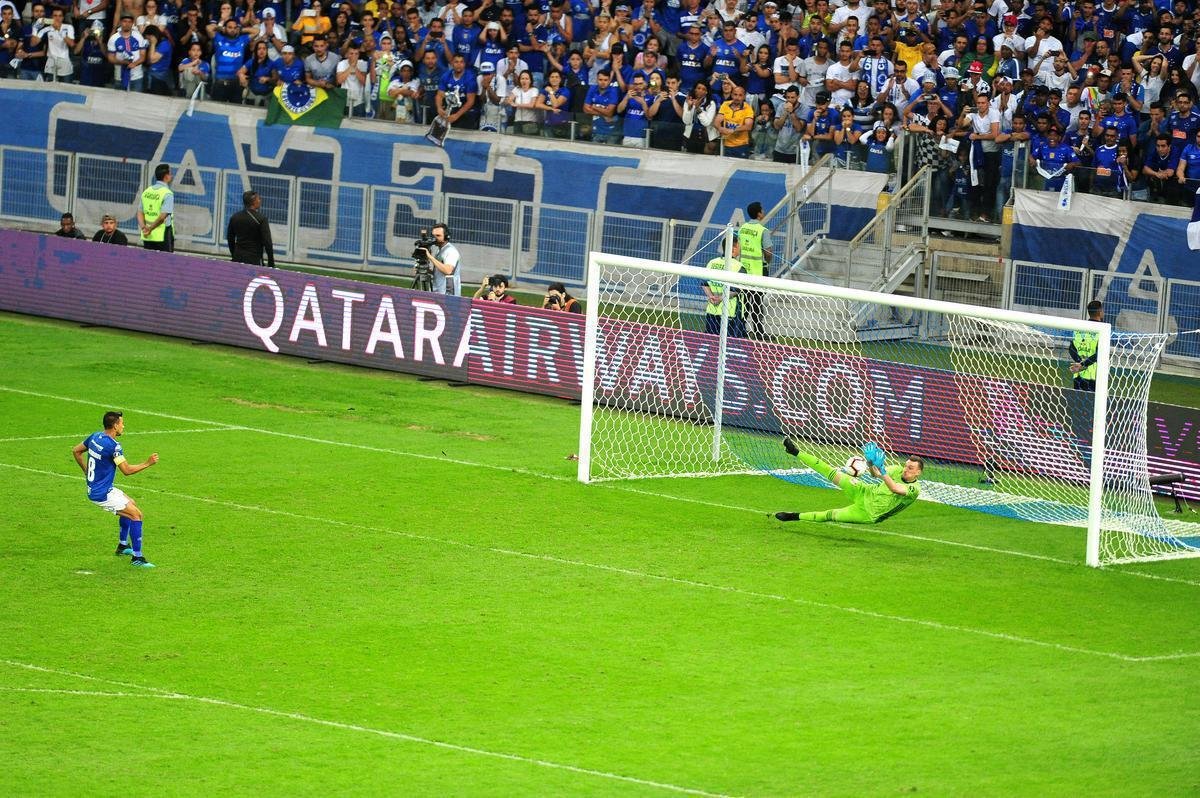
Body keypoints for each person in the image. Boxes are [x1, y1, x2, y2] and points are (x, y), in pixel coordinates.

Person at [71, 411, 159, 567]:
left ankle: (123, 545)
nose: (123, 426)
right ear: (115, 425)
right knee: (136, 515)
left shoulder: (95, 437)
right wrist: (147, 463)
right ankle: (137, 558)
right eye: (122, 423)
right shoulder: (113, 446)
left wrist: (86, 472)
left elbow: (76, 451)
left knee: (131, 502)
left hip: (101, 488)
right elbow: (127, 470)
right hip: (102, 494)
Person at [775, 438, 923, 524]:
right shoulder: (896, 469)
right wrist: (871, 463)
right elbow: (875, 475)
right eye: (906, 466)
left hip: (869, 513)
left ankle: (794, 516)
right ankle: (795, 451)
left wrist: (882, 469)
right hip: (865, 491)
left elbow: (895, 489)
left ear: (918, 472)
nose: (905, 469)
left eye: (910, 468)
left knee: (830, 515)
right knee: (831, 472)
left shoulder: (914, 489)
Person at [737, 201, 773, 340]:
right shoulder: (763, 231)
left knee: (745, 301)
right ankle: (758, 332)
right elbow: (768, 252)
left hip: (744, 269)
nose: (763, 211)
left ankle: (740, 329)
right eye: (762, 210)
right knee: (757, 302)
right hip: (759, 270)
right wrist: (767, 263)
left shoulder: (743, 228)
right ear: (759, 214)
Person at [703, 234, 746, 338]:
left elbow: (704, 283)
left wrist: (711, 296)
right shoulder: (739, 266)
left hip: (712, 310)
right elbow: (738, 289)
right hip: (731, 313)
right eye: (739, 245)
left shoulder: (712, 263)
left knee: (710, 342)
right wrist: (721, 298)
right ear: (734, 247)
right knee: (731, 344)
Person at [227, 190, 276, 268]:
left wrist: (234, 254)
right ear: (254, 202)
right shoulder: (261, 219)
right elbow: (267, 242)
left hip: (238, 257)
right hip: (255, 259)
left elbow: (230, 238)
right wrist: (271, 263)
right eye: (258, 199)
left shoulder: (235, 217)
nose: (260, 201)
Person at [138, 162, 174, 251]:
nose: (171, 176)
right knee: (165, 262)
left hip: (147, 235)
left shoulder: (147, 191)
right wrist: (150, 229)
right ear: (166, 176)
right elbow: (162, 217)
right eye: (170, 174)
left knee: (148, 261)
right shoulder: (167, 194)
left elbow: (139, 212)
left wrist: (144, 228)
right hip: (162, 235)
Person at [1069, 300, 1103, 391]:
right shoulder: (1103, 330)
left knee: (1077, 402)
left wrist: (1079, 363)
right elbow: (1100, 354)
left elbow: (1071, 348)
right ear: (1100, 312)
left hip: (1078, 374)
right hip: (1095, 376)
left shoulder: (1080, 328)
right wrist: (1083, 364)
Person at [419, 222, 461, 295]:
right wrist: (426, 270)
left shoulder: (451, 251)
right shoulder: (440, 249)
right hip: (439, 292)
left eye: (438, 235)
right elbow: (440, 272)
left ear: (446, 237)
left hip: (448, 294)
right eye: (433, 235)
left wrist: (430, 256)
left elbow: (448, 270)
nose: (435, 238)